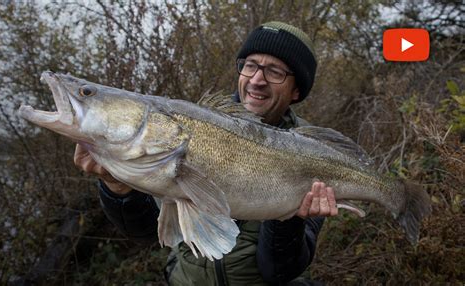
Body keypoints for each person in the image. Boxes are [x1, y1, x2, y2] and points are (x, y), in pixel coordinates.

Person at [74, 21, 338, 285]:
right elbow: (143, 232)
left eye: (275, 71)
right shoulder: (190, 126)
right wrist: (116, 186)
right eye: (250, 65)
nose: (257, 80)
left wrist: (290, 218)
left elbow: (277, 271)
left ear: (296, 91)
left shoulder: (315, 154)